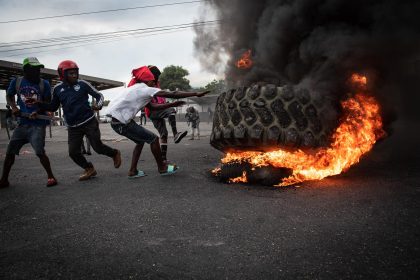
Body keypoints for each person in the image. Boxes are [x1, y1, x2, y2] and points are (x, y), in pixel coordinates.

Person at [107, 66, 209, 178]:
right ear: (150, 81)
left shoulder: (136, 88)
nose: (155, 84)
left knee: (140, 141)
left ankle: (133, 171)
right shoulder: (146, 89)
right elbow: (173, 94)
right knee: (154, 139)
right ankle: (162, 168)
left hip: (117, 121)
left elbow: (152, 107)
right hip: (122, 122)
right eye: (154, 82)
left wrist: (172, 104)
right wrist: (195, 94)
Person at [37, 60, 121, 181]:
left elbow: (99, 96)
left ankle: (114, 153)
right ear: (62, 74)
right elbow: (53, 107)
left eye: (75, 72)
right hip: (72, 127)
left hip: (89, 122)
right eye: (71, 73)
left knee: (97, 147)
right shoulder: (57, 89)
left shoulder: (83, 84)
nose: (74, 75)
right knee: (73, 153)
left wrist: (99, 105)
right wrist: (39, 104)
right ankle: (89, 168)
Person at [0, 57, 57, 188]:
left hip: (38, 124)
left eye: (38, 69)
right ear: (25, 70)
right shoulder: (17, 82)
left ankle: (51, 176)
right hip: (22, 124)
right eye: (33, 69)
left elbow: (48, 103)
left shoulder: (44, 84)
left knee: (39, 152)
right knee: (10, 152)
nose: (37, 72)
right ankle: (4, 179)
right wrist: (14, 108)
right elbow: (9, 96)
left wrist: (39, 110)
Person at [131, 65, 187, 163]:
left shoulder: (156, 83)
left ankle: (163, 159)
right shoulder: (147, 84)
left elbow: (162, 95)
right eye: (156, 75)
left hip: (156, 112)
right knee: (171, 110)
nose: (157, 78)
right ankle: (175, 134)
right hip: (154, 110)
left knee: (163, 134)